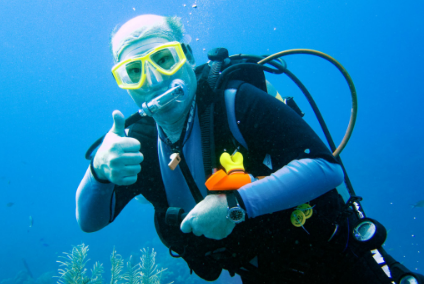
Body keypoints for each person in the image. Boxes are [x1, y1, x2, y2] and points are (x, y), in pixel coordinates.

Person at [76, 14, 421, 284]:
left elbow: (326, 168)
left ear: (187, 56)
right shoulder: (137, 146)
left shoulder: (235, 101)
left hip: (334, 257)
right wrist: (98, 173)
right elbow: (90, 221)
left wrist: (234, 205)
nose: (152, 80)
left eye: (164, 59)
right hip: (260, 276)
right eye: (133, 71)